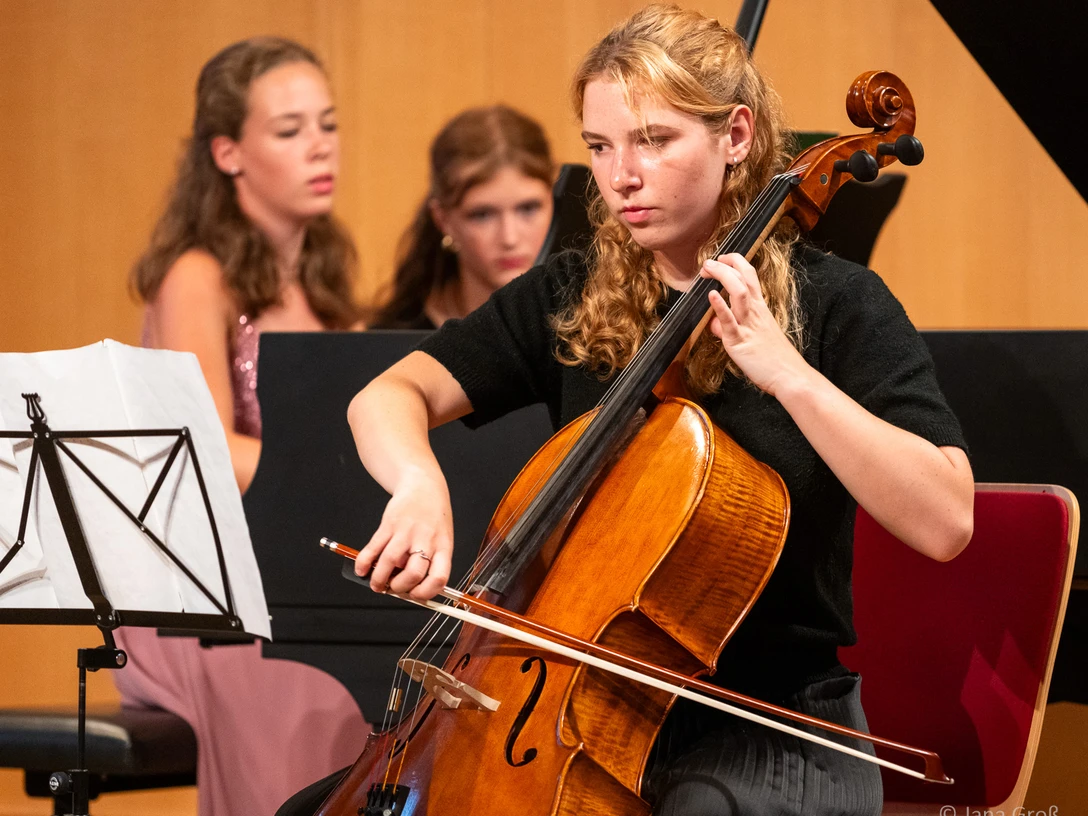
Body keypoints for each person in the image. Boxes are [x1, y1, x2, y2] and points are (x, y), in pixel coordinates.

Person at [285, 5, 975, 815]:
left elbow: (945, 518)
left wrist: (788, 374)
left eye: (654, 140)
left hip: (777, 732)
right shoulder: (576, 292)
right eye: (600, 147)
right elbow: (389, 394)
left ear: (738, 136)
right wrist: (415, 484)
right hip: (572, 708)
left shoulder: (838, 306)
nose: (621, 176)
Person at [118, 37, 368, 816]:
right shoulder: (198, 273)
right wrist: (332, 487)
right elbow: (210, 453)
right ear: (228, 153)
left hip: (290, 573)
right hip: (200, 602)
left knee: (406, 663)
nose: (319, 147)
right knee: (317, 690)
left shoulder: (327, 281)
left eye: (326, 124)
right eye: (289, 131)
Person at [370, 105, 555, 329]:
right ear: (443, 220)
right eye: (482, 215)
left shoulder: (592, 325)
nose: (510, 238)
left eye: (528, 208)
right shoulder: (394, 338)